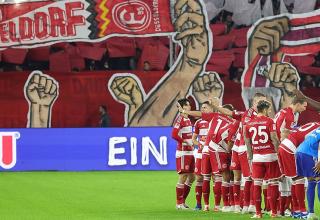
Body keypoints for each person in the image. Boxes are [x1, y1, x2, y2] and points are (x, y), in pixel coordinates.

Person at [212, 92, 267, 214]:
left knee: (238, 178)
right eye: (260, 102)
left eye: (264, 102)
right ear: (254, 103)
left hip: (237, 148)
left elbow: (230, 113)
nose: (263, 104)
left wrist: (217, 107)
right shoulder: (256, 116)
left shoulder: (245, 113)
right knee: (251, 178)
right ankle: (250, 205)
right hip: (244, 148)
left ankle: (238, 206)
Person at [244, 100, 282, 218]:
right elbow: (274, 138)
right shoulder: (270, 121)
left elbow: (247, 142)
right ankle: (274, 212)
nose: (269, 111)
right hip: (270, 156)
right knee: (273, 182)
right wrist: (278, 152)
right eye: (269, 109)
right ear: (265, 109)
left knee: (257, 184)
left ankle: (258, 213)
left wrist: (251, 157)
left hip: (257, 157)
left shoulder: (248, 123)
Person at [278, 122, 320, 218]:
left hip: (285, 147)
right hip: (293, 149)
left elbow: (288, 131)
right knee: (304, 180)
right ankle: (303, 211)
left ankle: (296, 211)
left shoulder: (313, 124)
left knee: (296, 180)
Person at [172, 98, 195, 210]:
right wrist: (185, 141)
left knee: (192, 177)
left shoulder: (188, 119)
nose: (190, 106)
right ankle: (178, 203)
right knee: (183, 176)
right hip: (183, 152)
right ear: (184, 107)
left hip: (190, 152)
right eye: (188, 105)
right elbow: (174, 135)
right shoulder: (180, 119)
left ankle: (183, 202)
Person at [296, 128, 320, 220]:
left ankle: (311, 213)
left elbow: (306, 136)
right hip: (310, 154)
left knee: (311, 181)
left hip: (300, 151)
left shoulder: (317, 129)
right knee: (318, 179)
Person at [192, 101, 212, 210]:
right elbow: (193, 139)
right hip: (201, 154)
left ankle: (217, 205)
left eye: (205, 107)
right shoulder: (198, 122)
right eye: (202, 108)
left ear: (211, 109)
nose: (202, 109)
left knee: (215, 178)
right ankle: (199, 204)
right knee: (199, 178)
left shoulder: (215, 121)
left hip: (213, 153)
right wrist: (199, 144)